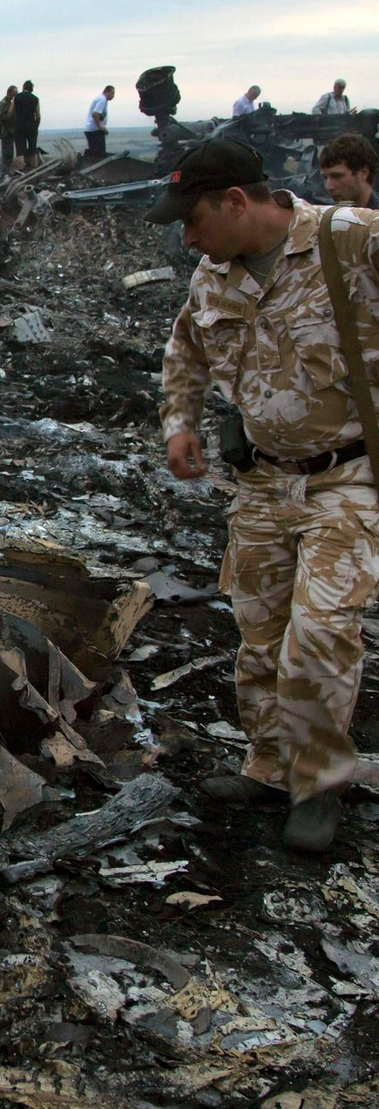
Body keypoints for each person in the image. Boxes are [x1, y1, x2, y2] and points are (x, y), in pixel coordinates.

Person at [148, 138, 379, 853]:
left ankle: (320, 785)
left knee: (318, 635)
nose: (187, 237)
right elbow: (185, 349)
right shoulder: (214, 276)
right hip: (263, 482)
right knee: (260, 632)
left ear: (237, 203)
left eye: (194, 220)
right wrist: (181, 423)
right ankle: (271, 765)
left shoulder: (351, 241)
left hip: (347, 475)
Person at [320, 134, 379, 209]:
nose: (328, 187)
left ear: (363, 173)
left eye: (337, 176)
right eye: (325, 178)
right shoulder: (327, 216)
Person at [13, 80, 40, 169]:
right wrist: (36, 126)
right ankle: (35, 171)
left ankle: (20, 172)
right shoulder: (35, 98)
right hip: (31, 125)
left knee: (20, 151)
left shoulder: (17, 97)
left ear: (23, 87)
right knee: (33, 149)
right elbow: (38, 115)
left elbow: (10, 112)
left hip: (19, 125)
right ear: (32, 89)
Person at [84, 85, 115, 158]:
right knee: (99, 155)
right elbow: (95, 114)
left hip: (91, 130)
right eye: (112, 93)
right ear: (107, 92)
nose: (113, 96)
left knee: (94, 153)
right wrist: (101, 127)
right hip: (95, 131)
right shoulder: (102, 99)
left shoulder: (100, 99)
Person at [0, 84, 17, 178]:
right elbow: (2, 117)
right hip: (5, 132)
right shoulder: (4, 103)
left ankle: (7, 172)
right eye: (14, 93)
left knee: (10, 153)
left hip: (10, 132)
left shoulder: (10, 103)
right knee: (6, 154)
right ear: (10, 92)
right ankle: (5, 173)